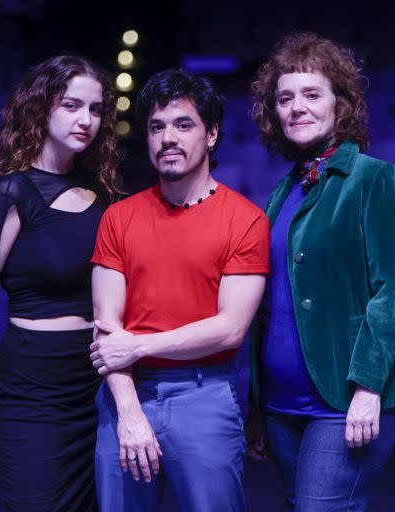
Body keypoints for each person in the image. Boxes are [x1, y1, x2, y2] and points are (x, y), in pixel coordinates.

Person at [246, 32, 395, 511]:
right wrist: (257, 408)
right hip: (282, 409)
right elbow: (270, 306)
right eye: (285, 98)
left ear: (339, 105)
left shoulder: (373, 178)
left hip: (343, 403)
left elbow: (392, 291)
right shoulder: (283, 191)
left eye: (311, 94)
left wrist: (368, 390)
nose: (297, 107)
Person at [89, 68, 270, 512]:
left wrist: (138, 346)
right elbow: (106, 329)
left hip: (203, 396)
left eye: (182, 124)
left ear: (211, 135)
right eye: (157, 127)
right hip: (125, 396)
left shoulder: (245, 220)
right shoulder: (119, 217)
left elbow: (229, 330)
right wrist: (129, 415)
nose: (167, 137)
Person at [0, 54, 119, 512]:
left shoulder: (105, 197)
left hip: (97, 383)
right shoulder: (13, 192)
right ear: (41, 107)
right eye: (72, 105)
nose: (86, 119)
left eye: (96, 109)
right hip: (33, 388)